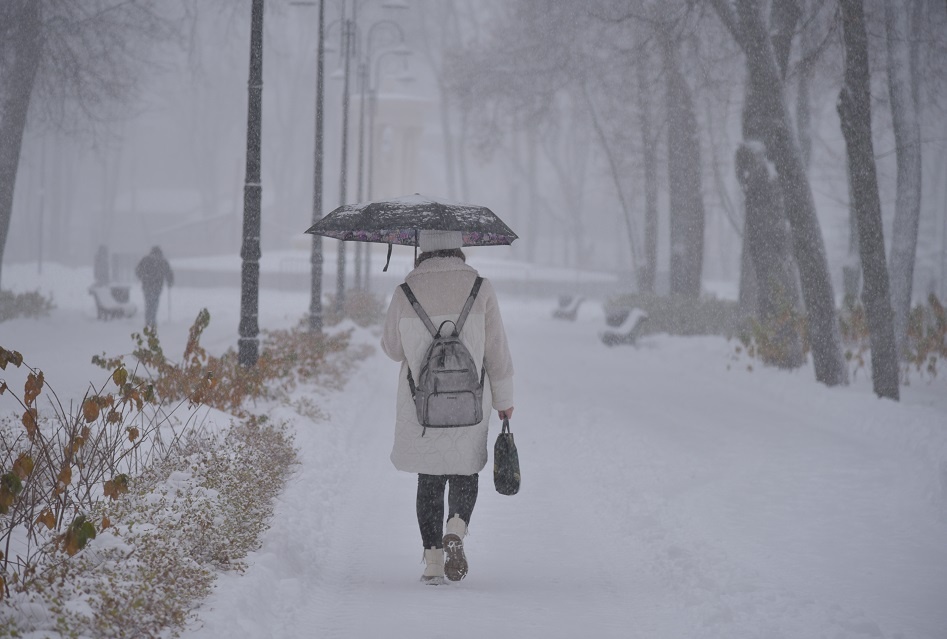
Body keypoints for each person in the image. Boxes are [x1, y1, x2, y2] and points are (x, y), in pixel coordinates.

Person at [381, 229, 515, 585]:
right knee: (464, 470)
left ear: (422, 250)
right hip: (470, 399)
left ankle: (434, 563)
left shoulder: (404, 291)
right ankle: (455, 526)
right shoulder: (480, 288)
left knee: (430, 478)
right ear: (459, 247)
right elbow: (496, 350)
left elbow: (393, 349)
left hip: (422, 402)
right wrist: (504, 400)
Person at [135, 246, 174, 329]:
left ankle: (148, 321)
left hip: (147, 285)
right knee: (154, 303)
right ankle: (152, 320)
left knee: (148, 302)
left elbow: (138, 270)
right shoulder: (162, 261)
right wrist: (170, 282)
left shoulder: (146, 260)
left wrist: (142, 276)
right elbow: (169, 273)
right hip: (157, 286)